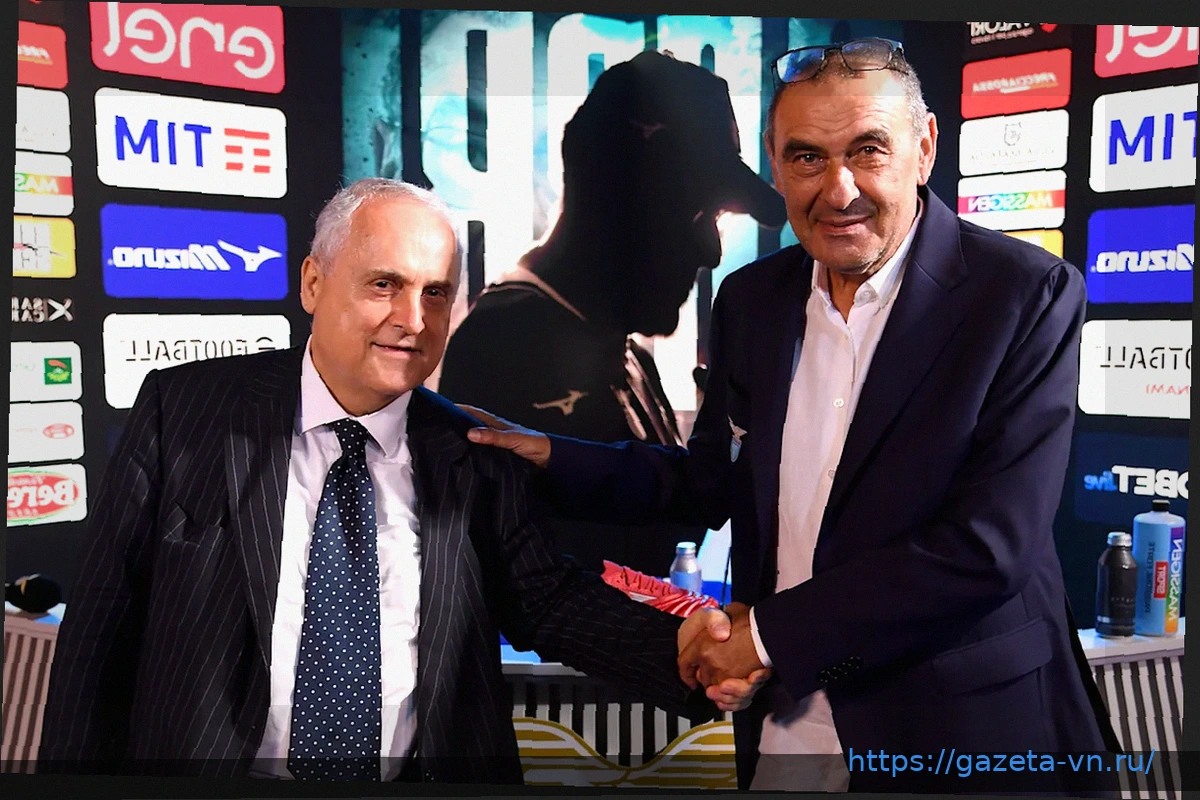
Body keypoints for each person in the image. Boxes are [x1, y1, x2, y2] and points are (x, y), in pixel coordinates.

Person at [462, 38, 1121, 795]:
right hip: (788, 725)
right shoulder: (751, 301)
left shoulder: (1024, 294)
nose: (838, 191)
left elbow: (986, 547)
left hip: (962, 737)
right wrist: (553, 455)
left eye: (868, 150)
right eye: (807, 157)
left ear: (924, 148)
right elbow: (712, 481)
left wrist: (765, 639)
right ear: (777, 166)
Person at [36, 179, 769, 783]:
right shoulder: (187, 412)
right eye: (384, 284)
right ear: (314, 283)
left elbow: (548, 600)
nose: (412, 320)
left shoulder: (473, 449)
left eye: (436, 293)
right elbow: (98, 634)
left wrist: (689, 655)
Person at [437, 50, 787, 576]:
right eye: (701, 214)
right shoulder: (507, 341)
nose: (712, 252)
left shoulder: (622, 351)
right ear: (624, 202)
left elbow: (673, 517)